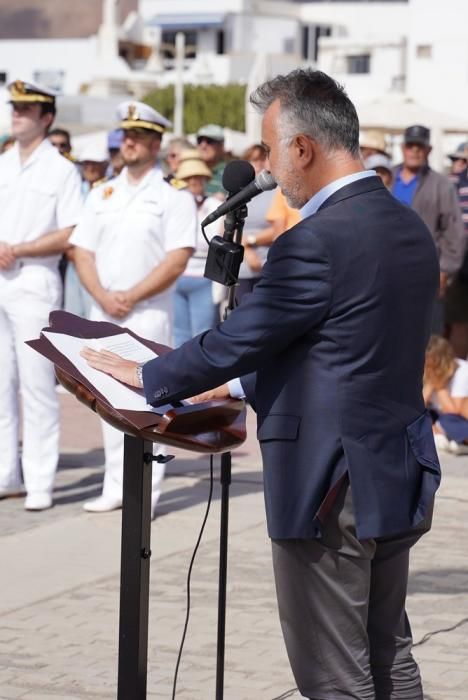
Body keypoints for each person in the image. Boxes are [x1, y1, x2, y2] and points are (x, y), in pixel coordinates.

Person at [81, 69, 441, 700]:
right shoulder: (404, 224)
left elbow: (241, 337)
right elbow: (346, 345)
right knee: (389, 653)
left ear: (303, 147)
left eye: (273, 150)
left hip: (329, 485)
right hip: (393, 468)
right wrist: (237, 387)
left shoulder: (316, 240)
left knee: (335, 676)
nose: (269, 168)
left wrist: (148, 375)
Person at [70, 101, 197, 515]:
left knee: (148, 399)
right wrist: (104, 295)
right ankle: (115, 485)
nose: (128, 142)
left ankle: (146, 490)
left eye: (138, 136)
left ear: (156, 142)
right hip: (103, 309)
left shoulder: (171, 195)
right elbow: (81, 250)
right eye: (125, 134)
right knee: (106, 398)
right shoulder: (102, 191)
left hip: (147, 312)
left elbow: (177, 258)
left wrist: (131, 295)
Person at [0, 79, 83, 510]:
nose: (17, 114)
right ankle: (5, 473)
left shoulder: (61, 169)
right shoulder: (4, 163)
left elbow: (71, 231)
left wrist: (19, 248)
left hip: (34, 279)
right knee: (0, 384)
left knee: (35, 385)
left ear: (46, 118)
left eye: (26, 109)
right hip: (0, 279)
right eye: (15, 107)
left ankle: (39, 481)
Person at [392, 124, 465, 333]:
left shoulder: (441, 185)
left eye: (420, 146)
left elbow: (454, 231)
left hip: (424, 272)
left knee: (426, 337)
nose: (415, 151)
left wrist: (445, 270)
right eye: (410, 145)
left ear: (428, 150)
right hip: (386, 269)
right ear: (403, 147)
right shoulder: (386, 178)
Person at [173, 150, 220, 346]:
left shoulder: (215, 205)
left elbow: (216, 240)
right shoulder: (174, 205)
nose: (193, 181)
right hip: (177, 276)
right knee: (178, 334)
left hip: (203, 277)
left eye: (197, 176)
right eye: (189, 177)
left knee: (202, 335)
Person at [236, 144, 277, 303]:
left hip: (268, 266)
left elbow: (281, 228)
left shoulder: (278, 191)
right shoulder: (238, 192)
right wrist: (245, 249)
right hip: (241, 269)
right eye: (254, 160)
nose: (259, 164)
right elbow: (227, 227)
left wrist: (251, 240)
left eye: (263, 159)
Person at [423, 335, 468, 454]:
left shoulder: (462, 371)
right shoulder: (427, 375)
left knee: (449, 420)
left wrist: (439, 386)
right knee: (421, 416)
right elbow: (419, 405)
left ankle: (460, 441)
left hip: (456, 418)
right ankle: (438, 435)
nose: (429, 371)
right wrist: (429, 385)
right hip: (436, 417)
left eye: (433, 367)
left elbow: (453, 410)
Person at [445, 141, 468, 358]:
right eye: (456, 160)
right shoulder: (450, 184)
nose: (459, 164)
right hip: (458, 266)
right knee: (457, 324)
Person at [196, 124, 227, 196]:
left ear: (221, 146)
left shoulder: (229, 175)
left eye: (209, 141)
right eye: (199, 141)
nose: (203, 145)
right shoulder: (191, 172)